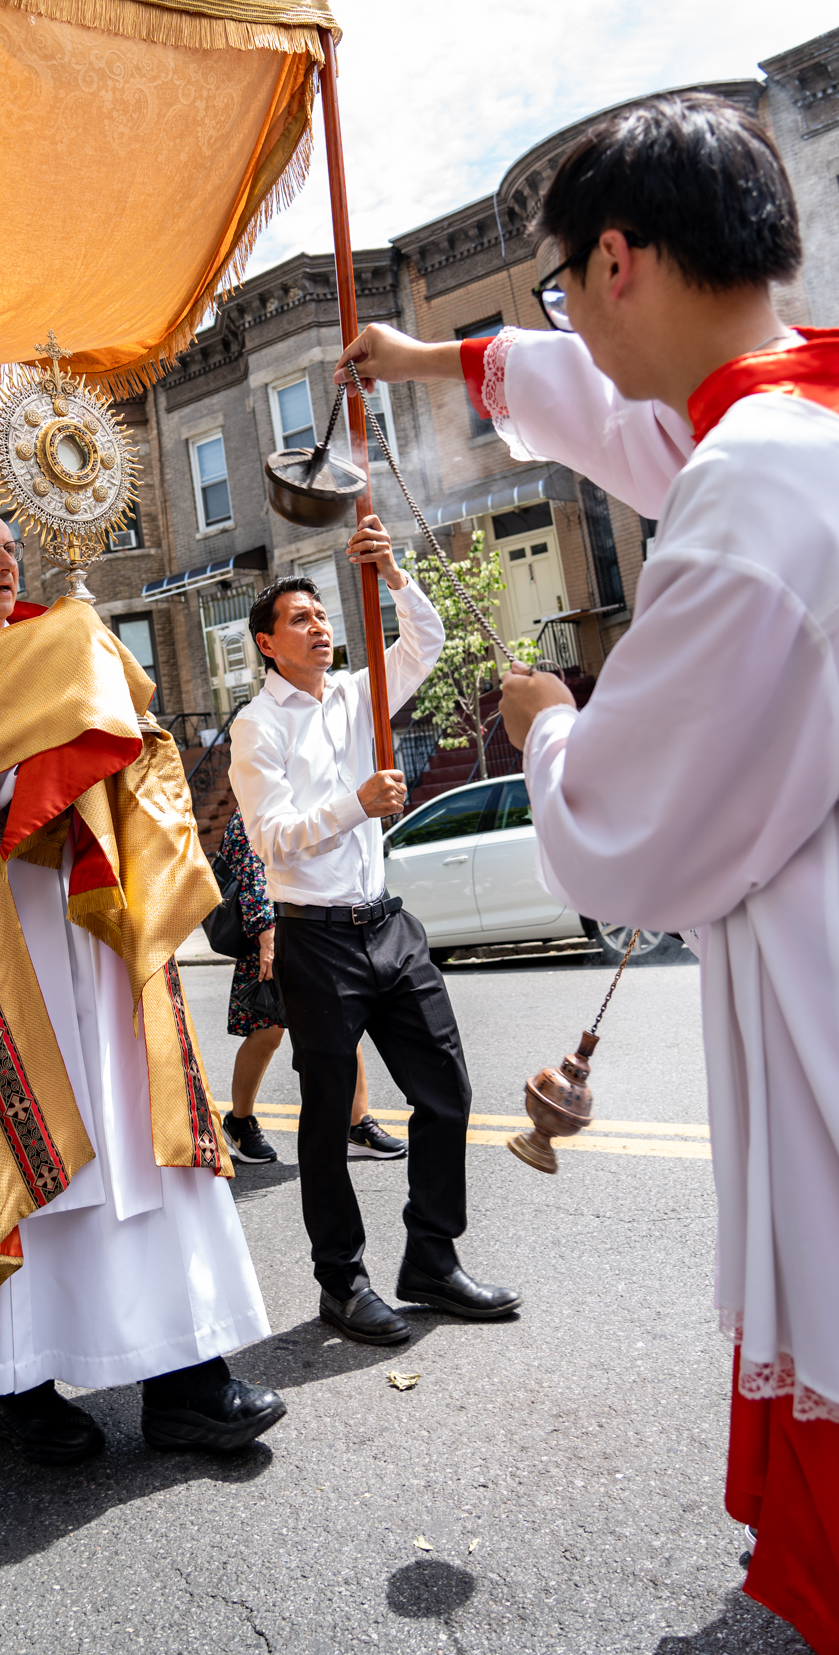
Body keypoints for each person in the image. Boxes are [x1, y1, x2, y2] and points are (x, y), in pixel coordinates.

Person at [336, 91, 839, 1653]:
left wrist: (547, 723)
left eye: (563, 289)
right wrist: (424, 363)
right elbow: (616, 414)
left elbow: (633, 830)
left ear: (616, 260)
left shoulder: (751, 488)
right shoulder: (794, 419)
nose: (571, 330)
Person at [0, 504, 284, 1464]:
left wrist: (94, 709)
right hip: (4, 955)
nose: (3, 562)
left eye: (9, 547)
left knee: (147, 1151)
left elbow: (132, 746)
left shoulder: (63, 639)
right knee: (40, 1167)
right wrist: (35, 696)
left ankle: (187, 1384)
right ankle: (21, 1389)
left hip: (100, 939)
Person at [230, 526, 521, 1346]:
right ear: (267, 643)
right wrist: (354, 804)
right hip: (315, 939)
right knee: (328, 1120)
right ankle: (342, 1282)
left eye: (322, 614)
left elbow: (425, 641)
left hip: (388, 928)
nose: (319, 626)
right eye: (299, 619)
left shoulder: (358, 695)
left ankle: (430, 1260)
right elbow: (269, 837)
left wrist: (392, 572)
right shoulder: (258, 726)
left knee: (446, 1094)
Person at [217, 807, 405, 1168]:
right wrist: (265, 934)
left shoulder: (309, 797)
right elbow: (253, 872)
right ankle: (239, 1121)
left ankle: (357, 1125)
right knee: (266, 1035)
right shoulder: (254, 805)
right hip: (274, 935)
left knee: (344, 1020)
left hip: (318, 930)